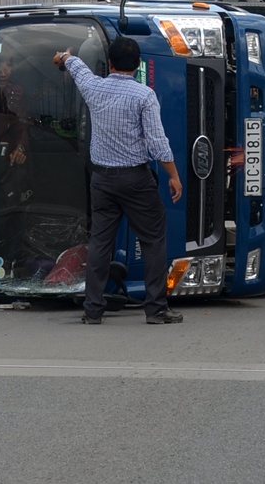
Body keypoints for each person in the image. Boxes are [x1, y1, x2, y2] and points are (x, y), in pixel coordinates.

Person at [52, 37, 185, 326]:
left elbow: (75, 66)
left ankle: (93, 310)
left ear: (110, 63)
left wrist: (64, 56)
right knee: (152, 240)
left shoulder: (94, 87)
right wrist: (173, 175)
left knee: (100, 242)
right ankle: (156, 309)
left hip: (102, 180)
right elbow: (157, 143)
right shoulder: (143, 96)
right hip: (136, 180)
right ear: (137, 64)